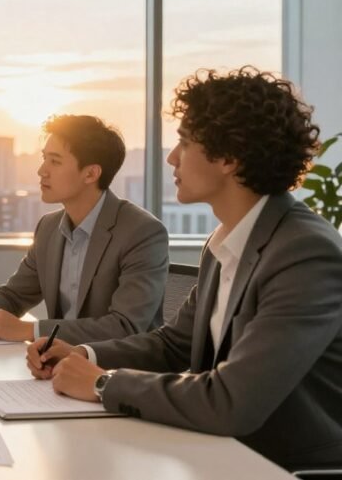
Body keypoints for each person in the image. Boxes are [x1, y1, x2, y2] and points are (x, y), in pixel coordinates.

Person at [29, 67, 342, 472]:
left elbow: (233, 401)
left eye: (186, 142)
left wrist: (101, 383)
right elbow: (174, 345)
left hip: (282, 466)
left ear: (229, 158)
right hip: (217, 451)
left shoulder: (304, 253)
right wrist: (83, 354)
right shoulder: (225, 242)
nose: (172, 157)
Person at [0, 115, 168, 345]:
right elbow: (14, 295)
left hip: (119, 373)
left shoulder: (142, 232)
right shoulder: (49, 227)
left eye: (55, 161)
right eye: (44, 158)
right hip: (56, 364)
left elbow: (125, 326)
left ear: (90, 173)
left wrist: (32, 330)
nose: (41, 171)